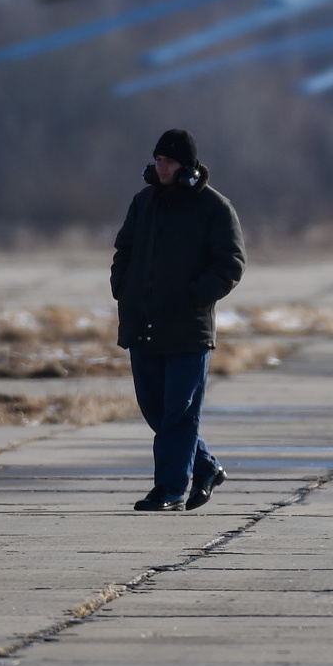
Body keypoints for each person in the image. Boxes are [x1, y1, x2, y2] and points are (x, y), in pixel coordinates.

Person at [110, 128, 245, 511]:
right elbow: (125, 248)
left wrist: (194, 296)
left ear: (185, 165)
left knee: (180, 412)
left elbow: (231, 263)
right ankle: (206, 467)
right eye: (158, 159)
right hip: (144, 324)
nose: (161, 166)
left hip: (188, 329)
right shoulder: (143, 202)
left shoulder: (215, 208)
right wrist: (122, 286)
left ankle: (169, 489)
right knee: (156, 409)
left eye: (168, 160)